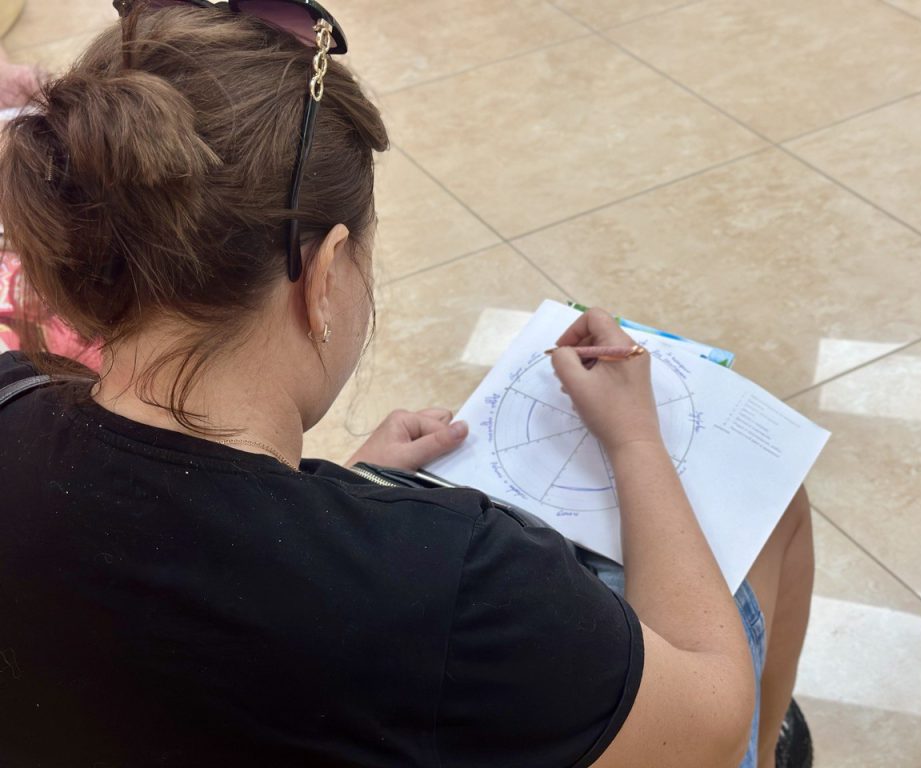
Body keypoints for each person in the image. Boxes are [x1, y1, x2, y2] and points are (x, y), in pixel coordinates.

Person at [0, 2, 815, 766]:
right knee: (776, 511)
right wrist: (636, 440)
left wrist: (342, 489)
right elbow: (709, 724)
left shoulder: (12, 400)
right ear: (324, 276)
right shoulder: (453, 580)